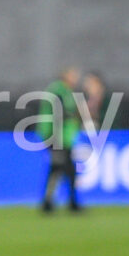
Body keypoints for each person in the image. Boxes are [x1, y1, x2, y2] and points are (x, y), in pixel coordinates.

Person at [37, 66, 84, 214]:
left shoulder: (64, 91)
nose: (76, 78)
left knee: (58, 168)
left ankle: (51, 202)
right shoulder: (58, 90)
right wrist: (74, 116)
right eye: (73, 74)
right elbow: (59, 112)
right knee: (65, 168)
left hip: (62, 137)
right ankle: (69, 202)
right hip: (56, 137)